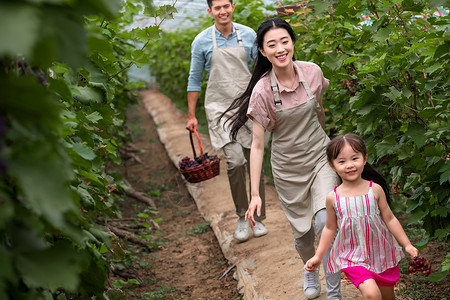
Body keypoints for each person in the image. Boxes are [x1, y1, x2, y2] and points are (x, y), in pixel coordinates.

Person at [223, 18, 341, 299]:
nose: (280, 48)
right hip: (288, 168)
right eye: (271, 44)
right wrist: (254, 194)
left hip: (319, 157)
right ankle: (309, 269)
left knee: (326, 222)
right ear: (263, 52)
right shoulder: (262, 91)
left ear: (292, 42)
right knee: (303, 236)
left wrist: (329, 149)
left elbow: (320, 110)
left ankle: (335, 294)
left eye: (284, 41)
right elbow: (258, 145)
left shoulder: (312, 72)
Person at [185, 0, 267, 243]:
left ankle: (258, 217)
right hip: (220, 108)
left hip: (248, 105)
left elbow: (261, 70)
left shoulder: (249, 35)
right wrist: (191, 115)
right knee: (235, 161)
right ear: (210, 11)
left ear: (233, 7)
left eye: (226, 6)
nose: (223, 11)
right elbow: (194, 78)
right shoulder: (201, 41)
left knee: (256, 160)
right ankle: (242, 216)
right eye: (217, 7)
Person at [305, 133, 419, 300]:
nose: (349, 165)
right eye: (342, 161)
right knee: (372, 295)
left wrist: (407, 245)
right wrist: (318, 256)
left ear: (364, 159)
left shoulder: (375, 190)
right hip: (353, 257)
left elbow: (390, 218)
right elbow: (330, 228)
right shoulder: (333, 198)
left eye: (354, 158)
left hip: (381, 253)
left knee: (388, 297)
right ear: (332, 166)